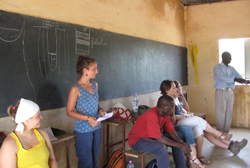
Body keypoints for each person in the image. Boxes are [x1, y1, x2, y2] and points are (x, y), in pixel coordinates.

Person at [161, 79, 248, 165]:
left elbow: (186, 110)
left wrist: (185, 111)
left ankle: (203, 154)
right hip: (177, 124)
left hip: (183, 120)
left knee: (200, 129)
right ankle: (220, 135)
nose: (177, 89)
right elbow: (170, 117)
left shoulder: (176, 99)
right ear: (167, 90)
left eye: (177, 87)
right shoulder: (166, 100)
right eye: (174, 88)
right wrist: (184, 116)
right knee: (198, 120)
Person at [128, 95, 191, 168]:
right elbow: (159, 138)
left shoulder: (166, 114)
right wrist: (180, 145)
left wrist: (181, 142)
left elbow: (171, 131)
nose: (173, 109)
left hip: (151, 138)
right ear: (163, 107)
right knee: (161, 148)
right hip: (137, 141)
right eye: (172, 107)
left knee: (177, 142)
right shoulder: (151, 114)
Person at [66, 55, 106, 168]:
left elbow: (95, 101)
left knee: (94, 161)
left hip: (97, 128)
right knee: (86, 163)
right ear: (85, 71)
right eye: (94, 69)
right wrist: (88, 119)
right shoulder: (75, 89)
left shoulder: (95, 84)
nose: (97, 71)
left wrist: (101, 110)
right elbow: (69, 111)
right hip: (83, 131)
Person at [0, 98, 58, 168]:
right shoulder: (9, 144)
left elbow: (52, 159)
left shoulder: (42, 134)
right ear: (26, 120)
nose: (41, 117)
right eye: (37, 116)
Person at [213, 51, 250, 133]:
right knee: (220, 114)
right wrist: (235, 79)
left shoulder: (231, 68)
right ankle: (219, 133)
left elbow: (239, 77)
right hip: (221, 92)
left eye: (230, 57)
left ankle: (226, 133)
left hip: (230, 92)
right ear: (223, 57)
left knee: (229, 113)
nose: (230, 59)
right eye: (228, 57)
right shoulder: (217, 67)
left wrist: (246, 81)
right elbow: (224, 78)